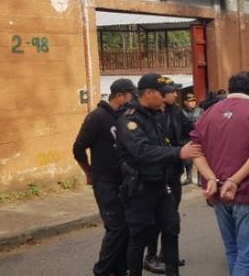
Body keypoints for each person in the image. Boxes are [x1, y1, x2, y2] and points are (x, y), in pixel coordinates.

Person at [190, 72, 249, 276]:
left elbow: (196, 150)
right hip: (248, 192)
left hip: (219, 193)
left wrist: (211, 178)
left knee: (234, 252)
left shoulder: (209, 113)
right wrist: (235, 180)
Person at [116, 73, 202, 276]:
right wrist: (179, 152)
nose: (167, 97)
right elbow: (141, 151)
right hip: (140, 186)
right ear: (148, 93)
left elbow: (168, 142)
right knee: (139, 236)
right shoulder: (129, 118)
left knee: (171, 229)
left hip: (163, 184)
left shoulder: (157, 115)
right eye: (162, 93)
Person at [73, 78, 137, 276]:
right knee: (116, 228)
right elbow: (78, 148)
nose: (133, 100)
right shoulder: (97, 117)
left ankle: (119, 269)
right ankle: (101, 271)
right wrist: (89, 172)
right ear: (119, 96)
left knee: (125, 228)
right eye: (130, 96)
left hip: (124, 181)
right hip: (105, 182)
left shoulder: (124, 117)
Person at [143, 78, 189, 274]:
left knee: (171, 217)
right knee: (154, 218)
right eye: (171, 91)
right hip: (155, 174)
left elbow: (190, 132)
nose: (175, 94)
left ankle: (167, 255)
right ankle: (150, 256)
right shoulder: (149, 114)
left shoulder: (176, 112)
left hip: (173, 172)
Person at [182, 93, 204, 185]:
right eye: (190, 101)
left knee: (199, 158)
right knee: (187, 161)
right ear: (185, 102)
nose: (193, 103)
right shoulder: (181, 112)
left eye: (194, 101)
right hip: (186, 138)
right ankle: (189, 177)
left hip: (198, 138)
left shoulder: (200, 111)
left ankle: (200, 179)